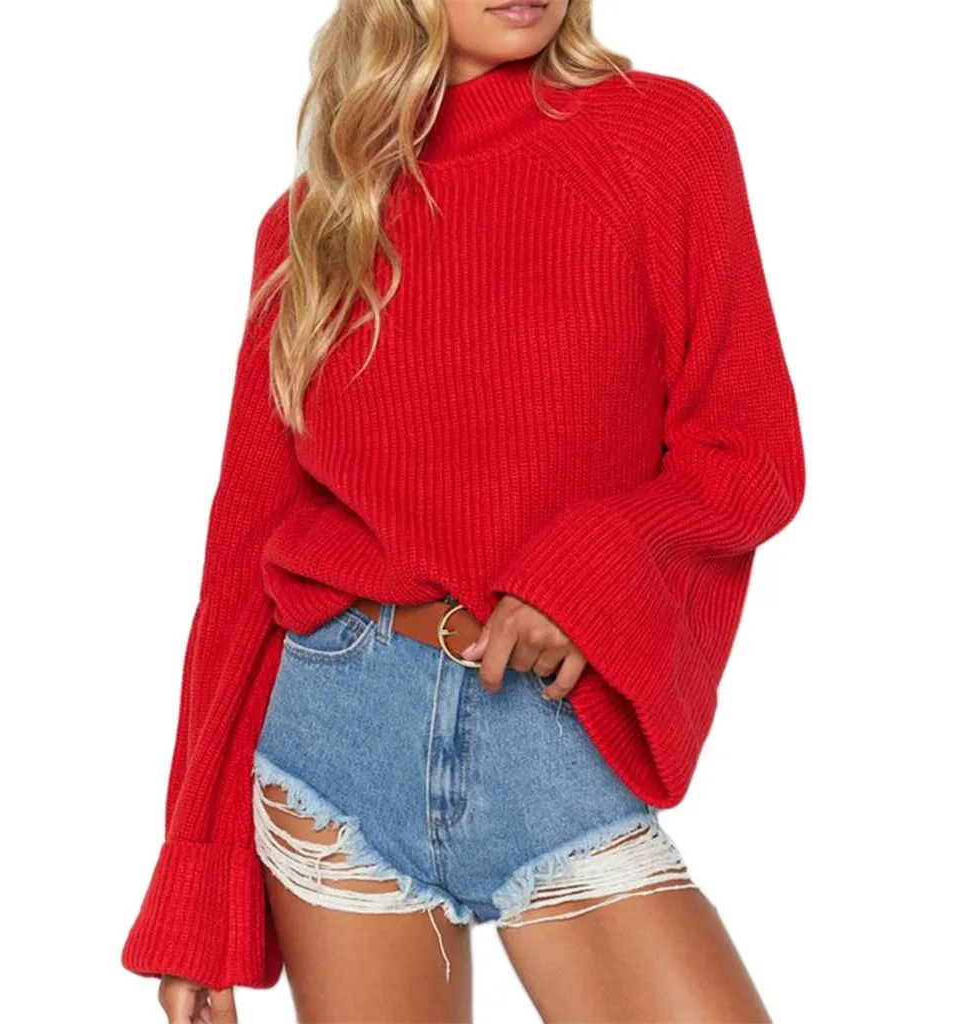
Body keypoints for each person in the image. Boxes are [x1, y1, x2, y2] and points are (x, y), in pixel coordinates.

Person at [123, 1, 806, 1021]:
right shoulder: (316, 223)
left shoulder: (659, 138)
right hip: (335, 747)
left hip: (549, 737)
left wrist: (585, 574)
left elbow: (750, 458)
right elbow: (239, 566)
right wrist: (197, 887)